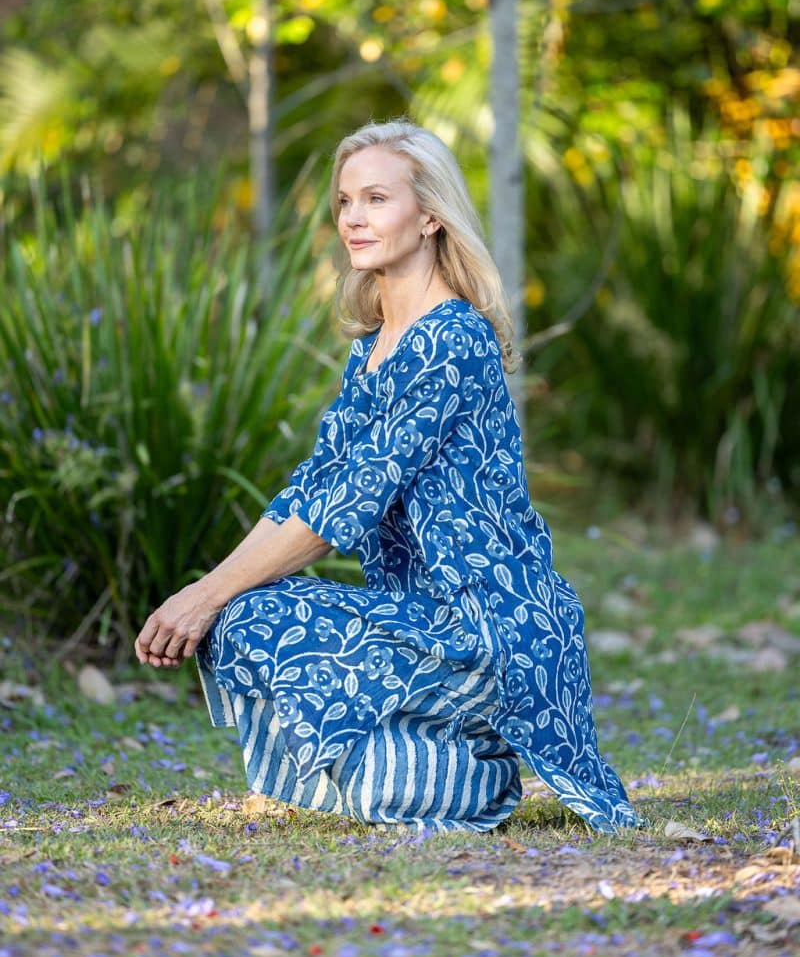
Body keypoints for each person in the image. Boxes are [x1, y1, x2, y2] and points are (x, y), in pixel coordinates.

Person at [134, 119, 644, 835]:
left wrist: (206, 593)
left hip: (488, 625)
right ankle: (441, 764)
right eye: (345, 201)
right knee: (242, 616)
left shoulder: (452, 339)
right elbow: (311, 490)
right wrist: (205, 595)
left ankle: (460, 769)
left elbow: (348, 504)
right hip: (418, 618)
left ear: (430, 214)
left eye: (376, 198)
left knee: (238, 610)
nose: (352, 219)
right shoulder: (375, 347)